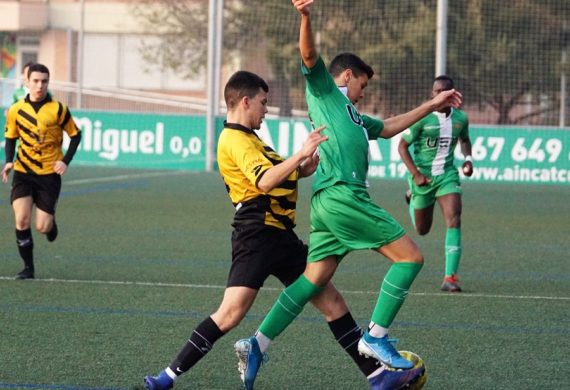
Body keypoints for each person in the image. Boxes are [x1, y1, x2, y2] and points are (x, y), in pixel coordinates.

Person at [144, 70, 423, 390]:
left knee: (332, 302)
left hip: (282, 236)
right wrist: (299, 155)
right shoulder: (233, 139)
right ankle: (167, 377)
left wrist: (304, 167)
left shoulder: (252, 139)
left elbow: (279, 175)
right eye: (263, 103)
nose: (266, 109)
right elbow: (264, 181)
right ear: (245, 101)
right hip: (257, 236)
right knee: (230, 313)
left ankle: (377, 377)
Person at [235, 0, 462, 385]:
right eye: (362, 85)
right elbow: (307, 55)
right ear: (348, 75)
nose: (362, 93)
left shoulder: (355, 116)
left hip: (326, 203)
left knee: (312, 280)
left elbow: (389, 128)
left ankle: (257, 343)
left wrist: (432, 104)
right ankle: (375, 336)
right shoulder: (326, 92)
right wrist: (305, 18)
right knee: (410, 258)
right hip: (344, 195)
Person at [2, 63, 82, 280]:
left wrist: (65, 161)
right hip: (23, 172)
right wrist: (9, 161)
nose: (40, 85)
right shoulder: (16, 109)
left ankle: (50, 226)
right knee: (21, 220)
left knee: (42, 227)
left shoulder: (58, 109)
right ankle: (28, 268)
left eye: (44, 81)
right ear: (26, 81)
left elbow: (76, 135)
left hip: (49, 175)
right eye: (35, 81)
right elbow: (10, 137)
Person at [398, 75, 473, 292]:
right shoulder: (423, 118)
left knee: (454, 218)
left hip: (447, 176)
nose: (437, 95)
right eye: (435, 92)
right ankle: (411, 198)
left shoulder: (461, 118)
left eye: (443, 91)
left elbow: (465, 140)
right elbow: (402, 146)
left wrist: (468, 160)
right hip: (423, 178)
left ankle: (450, 278)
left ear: (451, 94)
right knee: (422, 229)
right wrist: (415, 175)